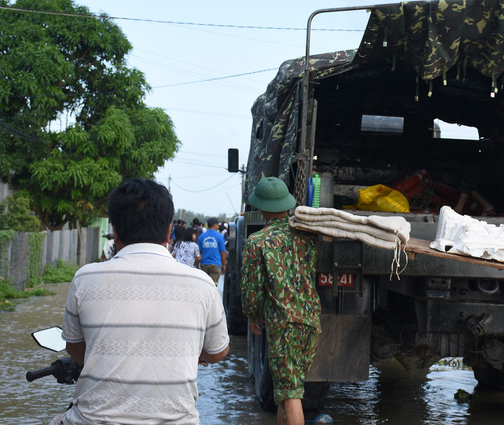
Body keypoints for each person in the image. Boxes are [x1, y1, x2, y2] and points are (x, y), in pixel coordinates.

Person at [58, 178, 230, 425]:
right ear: (169, 231)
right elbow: (218, 352)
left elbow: (75, 347)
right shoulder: (202, 283)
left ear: (115, 230)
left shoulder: (85, 278)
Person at [241, 177, 321, 425]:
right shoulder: (308, 235)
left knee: (290, 394)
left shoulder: (256, 242)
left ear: (262, 208)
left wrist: (253, 316)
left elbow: (251, 290)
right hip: (310, 321)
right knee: (286, 391)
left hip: (284, 326)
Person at [198, 217, 227, 285]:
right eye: (217, 224)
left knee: (204, 286)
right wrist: (224, 265)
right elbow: (222, 252)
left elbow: (199, 252)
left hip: (204, 265)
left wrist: (197, 264)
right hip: (215, 265)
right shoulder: (219, 237)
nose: (218, 226)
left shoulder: (201, 236)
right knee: (213, 286)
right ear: (214, 225)